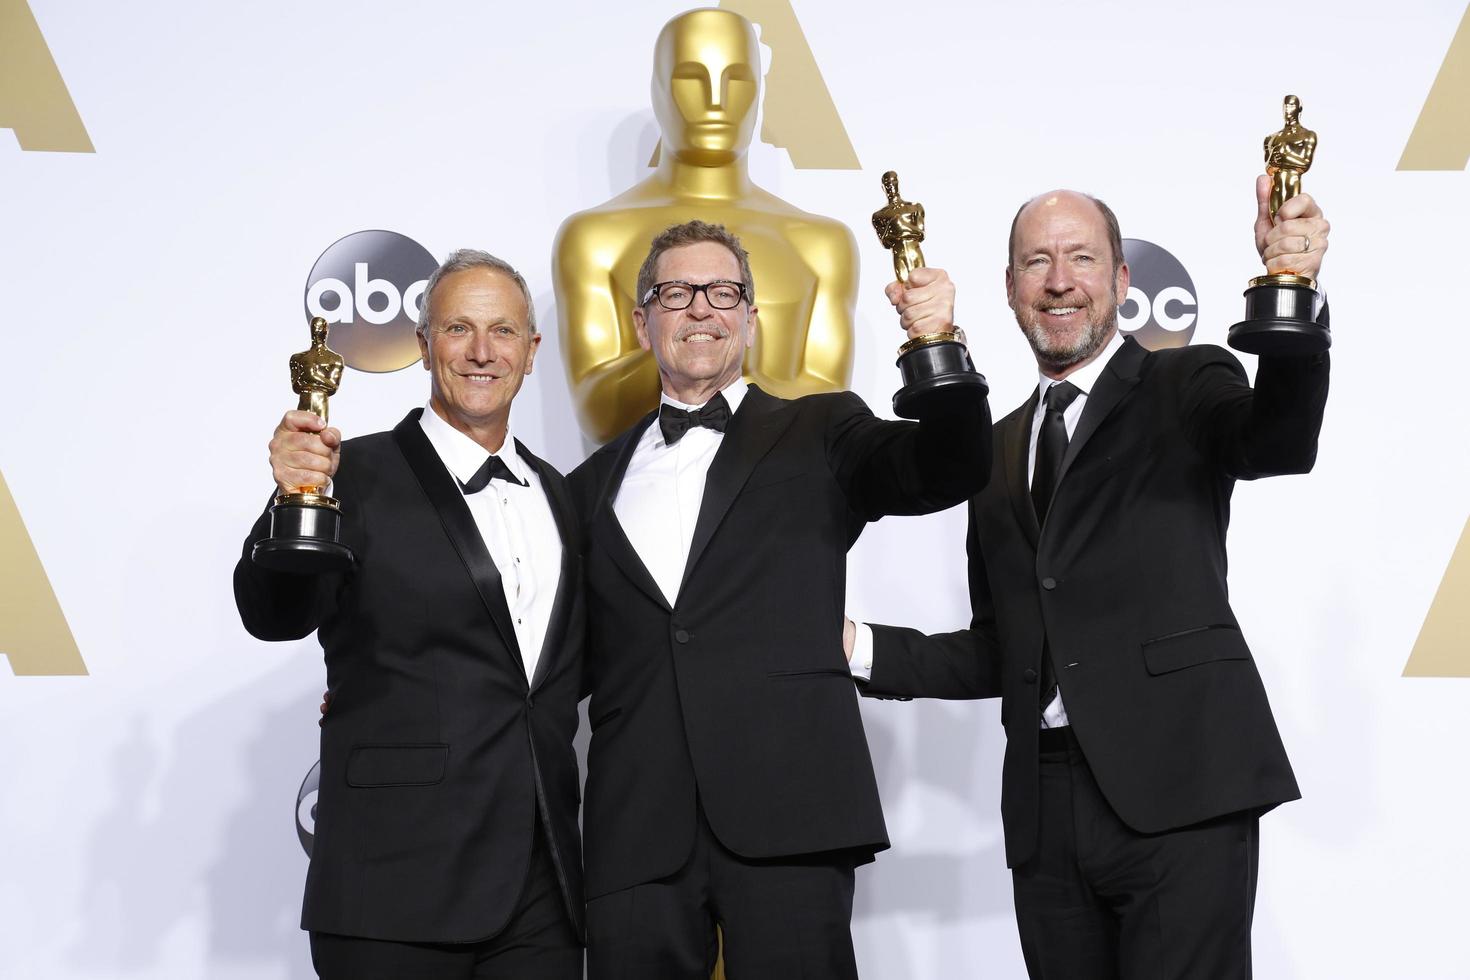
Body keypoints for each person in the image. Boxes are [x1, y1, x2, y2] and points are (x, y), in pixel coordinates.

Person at [850, 181, 1331, 979]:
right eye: (1037, 261)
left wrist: (1296, 294)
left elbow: (1276, 440)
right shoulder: (995, 450)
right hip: (1046, 810)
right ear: (1010, 290)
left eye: (1082, 258)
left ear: (1122, 281)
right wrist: (857, 646)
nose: (1060, 279)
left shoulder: (1186, 384)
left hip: (1181, 792)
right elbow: (999, 649)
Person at [569, 219, 992, 979]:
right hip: (636, 832)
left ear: (751, 317)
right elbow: (547, 655)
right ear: (641, 322)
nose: (700, 309)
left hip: (789, 809)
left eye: (722, 291)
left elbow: (948, 467)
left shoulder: (821, 429)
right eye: (675, 293)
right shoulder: (586, 488)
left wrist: (938, 345)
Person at [234, 250, 584, 980]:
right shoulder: (350, 474)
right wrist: (292, 500)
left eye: (503, 331)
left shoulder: (560, 495)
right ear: (423, 345)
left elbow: (563, 671)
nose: (483, 352)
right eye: (459, 328)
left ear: (531, 350)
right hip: (390, 886)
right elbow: (274, 614)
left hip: (540, 891)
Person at [553, 7, 860, 443]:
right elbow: (599, 416)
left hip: (785, 500)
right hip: (642, 496)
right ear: (658, 90)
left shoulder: (821, 243)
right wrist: (702, 340)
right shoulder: (595, 238)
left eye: (736, 79)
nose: (716, 99)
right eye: (691, 78)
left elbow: (830, 411)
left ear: (759, 93)